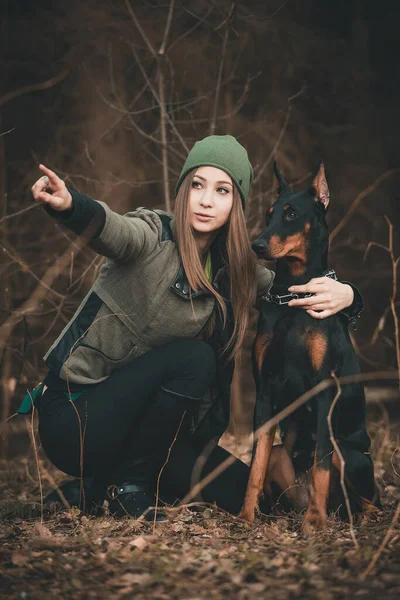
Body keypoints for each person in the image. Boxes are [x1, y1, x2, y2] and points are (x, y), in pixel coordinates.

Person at [23, 135, 362, 518]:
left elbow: (292, 294)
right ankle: (129, 487)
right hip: (76, 415)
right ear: (184, 190)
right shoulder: (151, 235)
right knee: (194, 358)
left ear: (236, 204)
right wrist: (70, 205)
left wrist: (349, 295)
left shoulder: (235, 270)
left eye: (221, 190)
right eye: (197, 185)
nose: (206, 200)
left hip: (141, 430)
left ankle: (94, 488)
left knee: (241, 491)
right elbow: (112, 229)